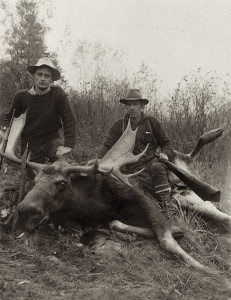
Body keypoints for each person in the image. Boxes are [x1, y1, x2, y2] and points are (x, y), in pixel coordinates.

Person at [97, 88, 183, 236]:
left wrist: (164, 154)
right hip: (129, 170)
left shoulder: (152, 123)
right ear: (125, 107)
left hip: (151, 167)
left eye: (135, 104)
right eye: (128, 105)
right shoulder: (119, 125)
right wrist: (97, 161)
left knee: (157, 167)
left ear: (142, 106)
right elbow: (107, 145)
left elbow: (167, 144)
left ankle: (169, 215)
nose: (131, 108)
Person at [2, 57, 77, 176]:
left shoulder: (58, 94)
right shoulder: (21, 96)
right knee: (32, 180)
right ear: (34, 76)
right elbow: (9, 119)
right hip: (30, 145)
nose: (42, 79)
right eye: (40, 74)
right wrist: (5, 131)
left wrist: (68, 146)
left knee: (64, 170)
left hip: (52, 142)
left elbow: (70, 119)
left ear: (52, 79)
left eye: (47, 76)